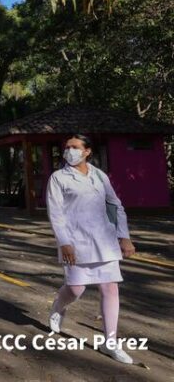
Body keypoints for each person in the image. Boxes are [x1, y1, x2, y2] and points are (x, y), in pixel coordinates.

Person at [46, 134, 136, 364]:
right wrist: (64, 242)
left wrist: (124, 236)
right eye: (67, 147)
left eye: (75, 147)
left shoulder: (99, 176)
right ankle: (58, 306)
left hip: (105, 241)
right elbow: (56, 213)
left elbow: (115, 205)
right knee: (76, 289)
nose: (69, 151)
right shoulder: (58, 178)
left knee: (111, 289)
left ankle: (110, 343)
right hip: (76, 242)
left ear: (87, 151)